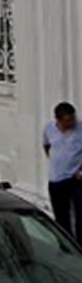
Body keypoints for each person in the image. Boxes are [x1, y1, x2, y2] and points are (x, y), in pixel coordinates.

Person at [43, 101, 82, 237]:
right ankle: (66, 244)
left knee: (80, 212)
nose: (72, 123)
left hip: (75, 179)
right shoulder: (49, 128)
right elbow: (46, 145)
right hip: (56, 179)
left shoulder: (80, 129)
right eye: (68, 121)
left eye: (73, 119)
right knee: (61, 216)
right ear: (58, 120)